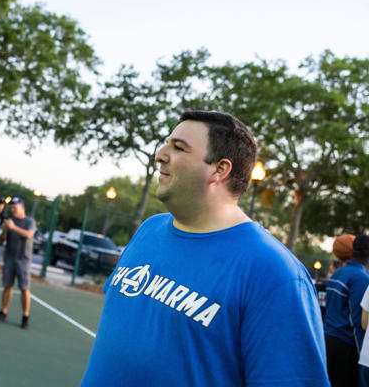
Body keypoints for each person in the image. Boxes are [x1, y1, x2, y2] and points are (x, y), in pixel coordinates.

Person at [80, 110, 328, 386]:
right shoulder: (149, 230)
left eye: (179, 147)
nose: (160, 154)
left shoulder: (275, 273)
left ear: (219, 170)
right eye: (166, 143)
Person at [324, 235, 369, 387]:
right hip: (346, 346)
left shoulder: (338, 273)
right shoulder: (361, 279)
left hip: (328, 340)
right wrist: (361, 356)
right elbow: (358, 322)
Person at [0, 197, 36, 329]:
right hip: (9, 259)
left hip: (23, 260)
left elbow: (28, 235)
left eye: (15, 207)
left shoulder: (29, 221)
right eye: (11, 207)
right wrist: (5, 230)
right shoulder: (10, 222)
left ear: (22, 207)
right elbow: (0, 240)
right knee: (7, 286)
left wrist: (13, 227)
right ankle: (3, 312)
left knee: (24, 288)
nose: (12, 209)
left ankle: (25, 316)